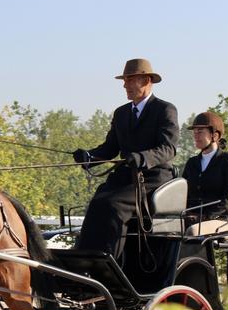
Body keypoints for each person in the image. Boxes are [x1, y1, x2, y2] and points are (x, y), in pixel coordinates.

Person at [72, 58, 179, 258]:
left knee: (112, 205)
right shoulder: (121, 113)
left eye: (130, 79)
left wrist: (142, 157)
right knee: (97, 202)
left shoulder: (165, 110)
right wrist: (88, 156)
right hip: (126, 177)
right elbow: (109, 148)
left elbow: (168, 148)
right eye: (125, 80)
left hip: (153, 178)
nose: (125, 85)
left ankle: (108, 262)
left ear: (146, 80)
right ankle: (84, 258)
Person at [182, 111, 228, 236]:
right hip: (196, 217)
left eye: (200, 131)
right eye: (194, 132)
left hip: (225, 218)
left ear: (214, 135)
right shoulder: (192, 163)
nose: (195, 135)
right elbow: (183, 193)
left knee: (193, 231)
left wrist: (207, 216)